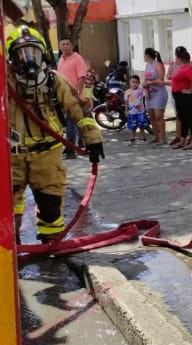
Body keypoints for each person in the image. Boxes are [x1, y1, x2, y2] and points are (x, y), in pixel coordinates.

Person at [6, 25, 105, 243]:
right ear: (12, 58)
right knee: (7, 207)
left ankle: (51, 249)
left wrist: (93, 138)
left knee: (50, 204)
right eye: (22, 54)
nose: (28, 59)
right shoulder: (6, 82)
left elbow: (79, 111)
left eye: (33, 52)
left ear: (42, 53)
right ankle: (12, 249)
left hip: (47, 154)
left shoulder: (53, 81)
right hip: (11, 156)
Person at [56, 36, 87, 159]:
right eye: (62, 44)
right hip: (63, 96)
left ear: (72, 46)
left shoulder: (77, 58)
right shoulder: (61, 59)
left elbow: (82, 77)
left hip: (74, 96)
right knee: (74, 122)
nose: (65, 46)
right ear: (59, 46)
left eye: (67, 44)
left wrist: (77, 93)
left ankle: (70, 150)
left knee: (71, 122)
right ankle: (80, 145)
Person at [168, 49, 192, 149]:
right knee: (183, 119)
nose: (175, 59)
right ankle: (182, 141)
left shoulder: (187, 68)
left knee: (189, 118)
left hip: (186, 97)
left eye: (176, 57)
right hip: (179, 97)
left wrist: (190, 90)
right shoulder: (181, 68)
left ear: (180, 59)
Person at [142, 48, 168, 145]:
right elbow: (145, 80)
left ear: (148, 55)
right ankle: (156, 137)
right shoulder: (147, 65)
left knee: (159, 116)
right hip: (150, 94)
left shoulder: (158, 64)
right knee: (152, 117)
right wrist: (146, 89)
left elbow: (161, 80)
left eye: (144, 55)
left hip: (159, 94)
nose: (144, 57)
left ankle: (163, 138)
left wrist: (150, 82)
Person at [125, 75, 149, 144]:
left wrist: (146, 89)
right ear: (129, 82)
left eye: (136, 82)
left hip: (140, 112)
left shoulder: (141, 90)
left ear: (139, 83)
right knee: (133, 126)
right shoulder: (128, 92)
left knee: (142, 125)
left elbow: (147, 96)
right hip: (132, 112)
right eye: (132, 82)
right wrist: (126, 111)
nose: (134, 84)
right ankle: (132, 138)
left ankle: (143, 138)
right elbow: (126, 102)